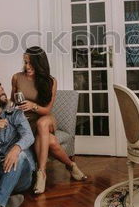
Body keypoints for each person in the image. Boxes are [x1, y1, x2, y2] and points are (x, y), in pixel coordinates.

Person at [11, 46, 86, 194]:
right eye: (25, 62)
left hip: (46, 119)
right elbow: (12, 102)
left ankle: (41, 173)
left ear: (40, 63)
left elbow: (47, 110)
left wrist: (32, 106)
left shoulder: (50, 81)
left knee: (42, 123)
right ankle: (71, 166)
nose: (27, 67)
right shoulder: (16, 77)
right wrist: (12, 105)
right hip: (26, 123)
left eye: (31, 63)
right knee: (51, 142)